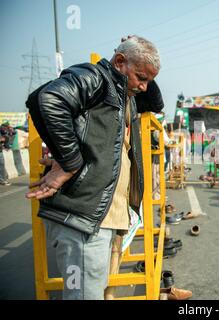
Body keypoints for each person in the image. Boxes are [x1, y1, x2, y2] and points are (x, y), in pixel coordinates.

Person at [25, 35, 162, 300]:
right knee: (83, 296)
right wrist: (70, 162)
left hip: (97, 218)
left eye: (148, 80)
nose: (145, 87)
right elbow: (48, 99)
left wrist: (142, 68)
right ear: (120, 62)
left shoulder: (125, 94)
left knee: (89, 292)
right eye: (141, 77)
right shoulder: (96, 78)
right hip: (83, 217)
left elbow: (155, 103)